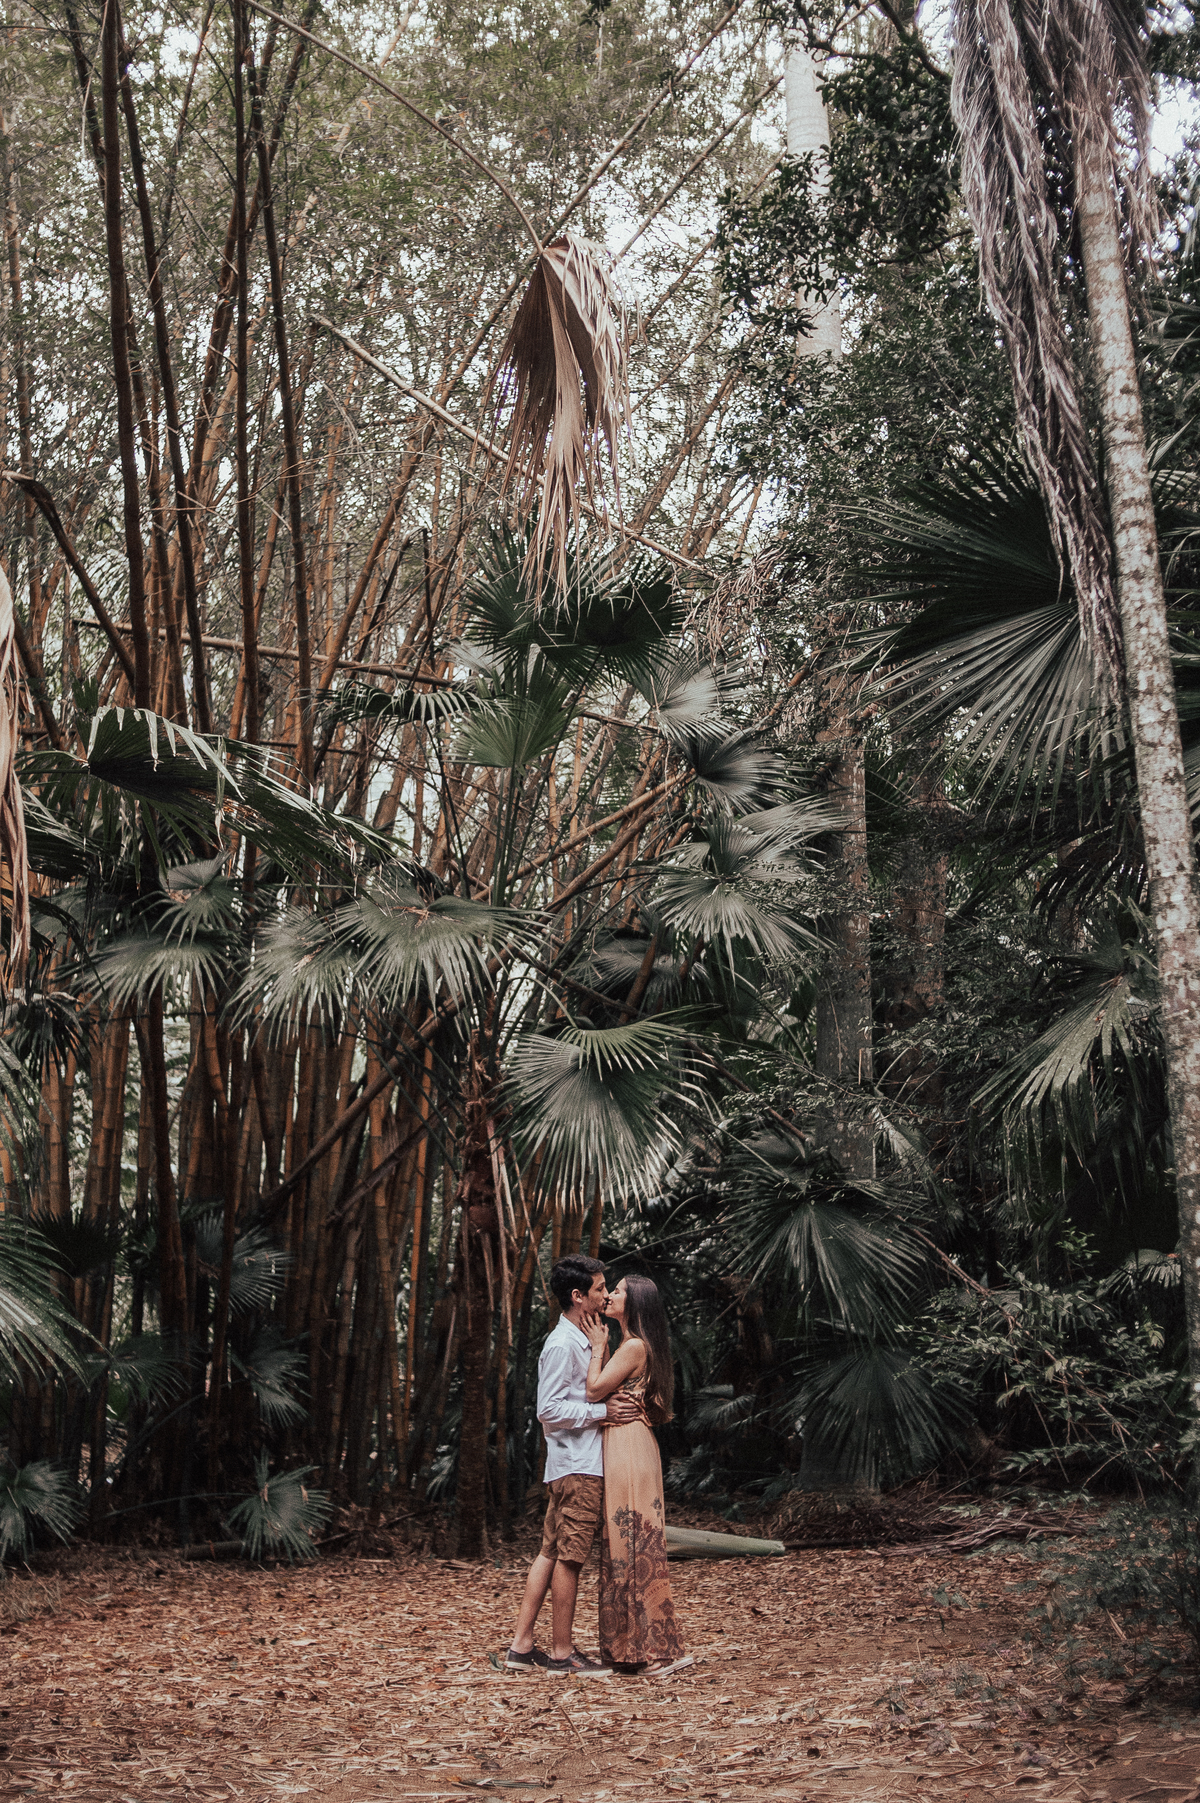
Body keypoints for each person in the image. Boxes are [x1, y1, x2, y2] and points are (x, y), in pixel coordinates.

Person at [505, 1253, 640, 1677]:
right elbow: (548, 1409)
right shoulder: (563, 1344)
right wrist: (602, 1413)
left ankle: (521, 1648)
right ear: (578, 1296)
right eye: (600, 1288)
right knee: (570, 1559)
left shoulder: (584, 1338)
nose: (606, 1294)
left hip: (571, 1464)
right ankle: (562, 1654)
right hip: (578, 1466)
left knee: (550, 1552)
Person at [582, 1274, 691, 1677]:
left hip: (628, 1445)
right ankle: (631, 1650)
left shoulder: (632, 1347)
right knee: (625, 1545)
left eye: (618, 1291)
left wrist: (598, 1348)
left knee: (632, 1545)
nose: (610, 1295)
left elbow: (594, 1390)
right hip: (629, 1442)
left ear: (636, 1303)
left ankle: (658, 1652)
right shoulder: (635, 1345)